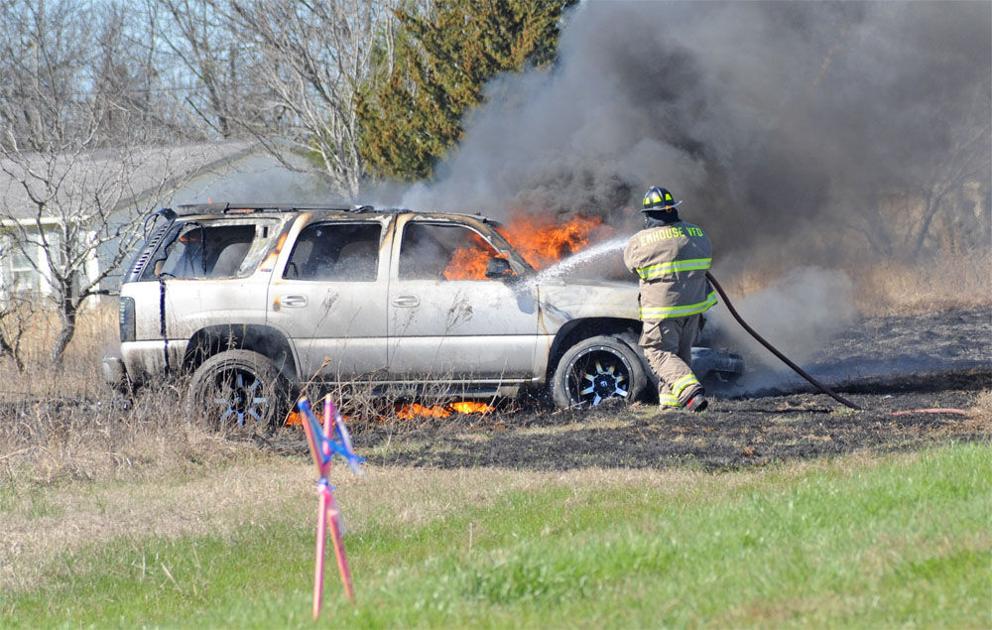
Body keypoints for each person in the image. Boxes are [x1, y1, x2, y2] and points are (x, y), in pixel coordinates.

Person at [623, 186, 715, 412]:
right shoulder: (697, 233)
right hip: (693, 309)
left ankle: (691, 392)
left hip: (662, 311)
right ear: (672, 210)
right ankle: (670, 406)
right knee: (679, 357)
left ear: (649, 215)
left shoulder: (641, 241)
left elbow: (632, 267)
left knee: (658, 353)